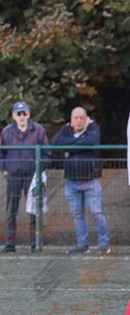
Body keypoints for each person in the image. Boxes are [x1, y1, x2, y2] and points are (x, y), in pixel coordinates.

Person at [51, 107, 109, 254]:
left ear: (86, 119)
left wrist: (71, 147)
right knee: (77, 215)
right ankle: (82, 245)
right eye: (75, 117)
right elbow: (56, 142)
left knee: (96, 213)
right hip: (72, 181)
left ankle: (104, 244)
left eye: (81, 117)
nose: (78, 120)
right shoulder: (66, 129)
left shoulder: (93, 128)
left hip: (91, 180)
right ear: (71, 120)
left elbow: (91, 141)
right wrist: (80, 144)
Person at [0, 101, 49, 252]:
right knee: (11, 211)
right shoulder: (6, 132)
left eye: (24, 113)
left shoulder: (38, 130)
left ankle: (35, 244)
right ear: (14, 116)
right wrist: (4, 169)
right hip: (13, 176)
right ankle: (10, 244)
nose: (22, 117)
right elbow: (0, 153)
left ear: (29, 114)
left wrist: (39, 169)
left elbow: (47, 153)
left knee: (34, 211)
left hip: (33, 177)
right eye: (18, 114)